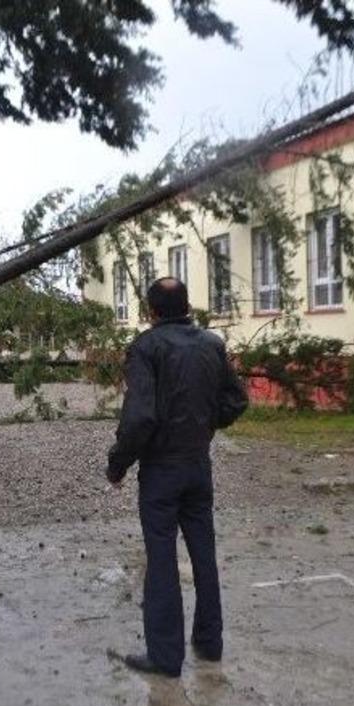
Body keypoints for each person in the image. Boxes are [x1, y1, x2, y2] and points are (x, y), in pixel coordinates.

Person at [106, 277, 248, 678]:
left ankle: (165, 657)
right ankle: (209, 642)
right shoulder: (212, 345)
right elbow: (236, 400)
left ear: (152, 311)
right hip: (198, 467)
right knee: (204, 553)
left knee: (162, 558)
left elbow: (139, 417)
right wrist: (206, 425)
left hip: (161, 473)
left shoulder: (146, 348)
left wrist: (117, 465)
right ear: (187, 305)